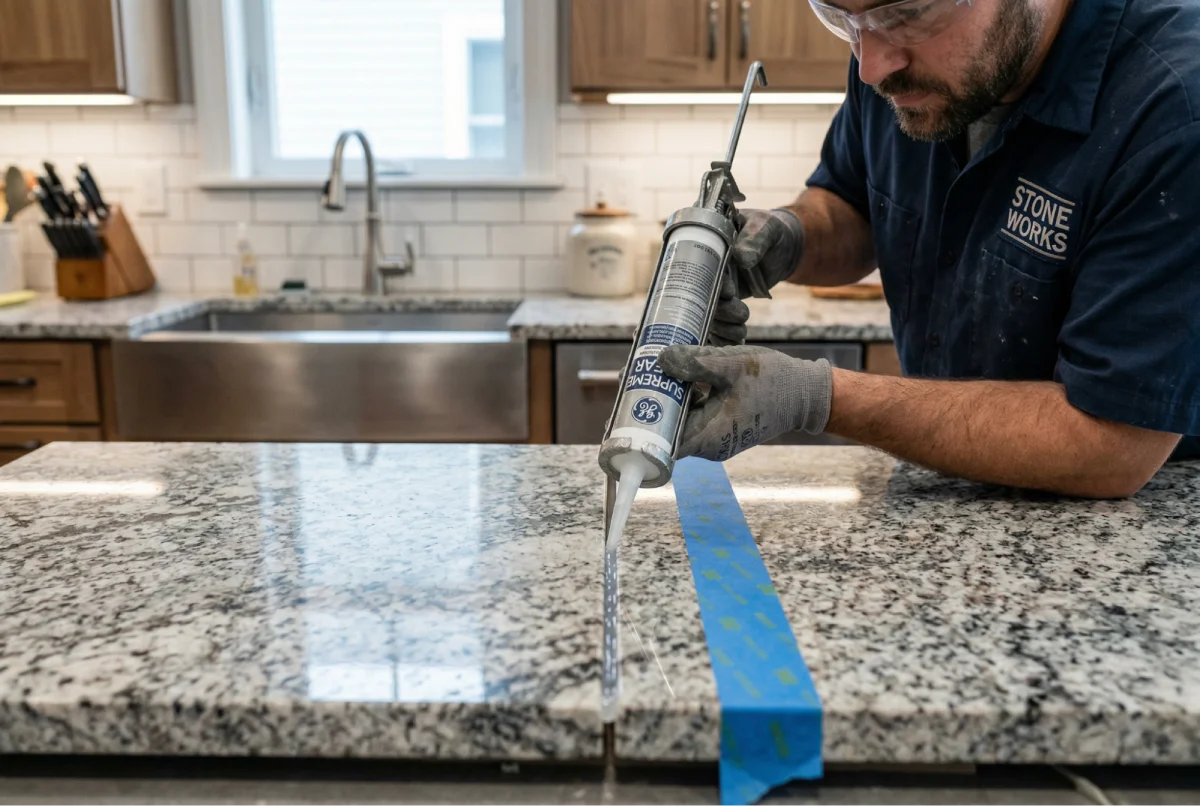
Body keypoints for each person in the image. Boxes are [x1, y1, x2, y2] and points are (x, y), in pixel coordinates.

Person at [658, 0, 1200, 498]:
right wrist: (787, 235)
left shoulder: (1172, 105)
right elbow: (853, 201)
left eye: (907, 15)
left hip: (1125, 535)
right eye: (840, 19)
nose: (871, 67)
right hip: (948, 494)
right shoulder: (892, 53)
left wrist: (811, 395)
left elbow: (1111, 446)